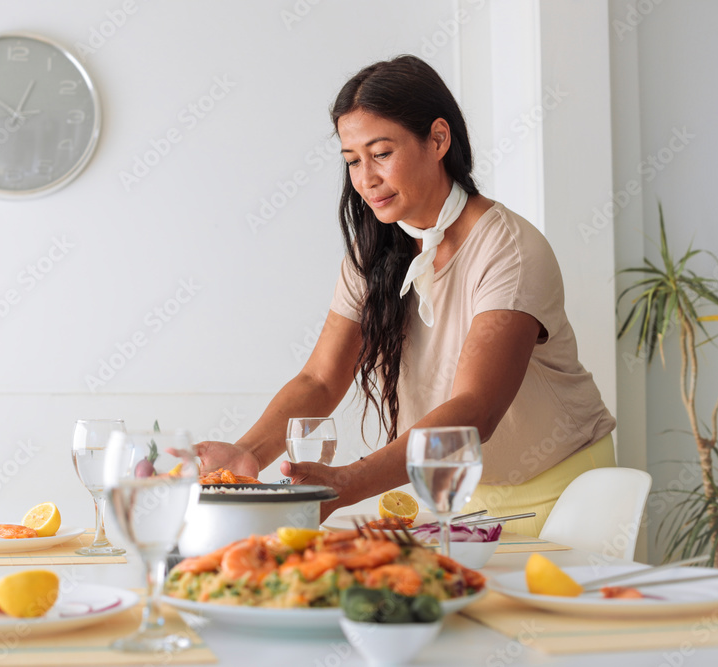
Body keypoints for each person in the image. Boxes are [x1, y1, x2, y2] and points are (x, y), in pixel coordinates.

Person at [196, 55, 616, 537]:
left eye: (381, 153)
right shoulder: (373, 249)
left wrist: (348, 483)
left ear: (438, 139)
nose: (365, 178)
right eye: (353, 161)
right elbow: (319, 378)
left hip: (559, 497)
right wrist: (248, 453)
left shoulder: (510, 250)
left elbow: (475, 413)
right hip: (454, 496)